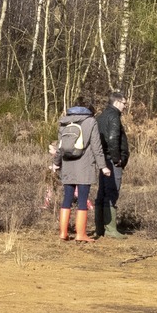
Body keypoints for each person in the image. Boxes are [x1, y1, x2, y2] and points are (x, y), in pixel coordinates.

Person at [52, 101, 111, 244]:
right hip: (84, 166)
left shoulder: (64, 121)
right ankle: (81, 234)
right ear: (88, 109)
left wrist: (55, 163)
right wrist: (103, 166)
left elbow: (60, 147)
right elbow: (96, 147)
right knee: (82, 199)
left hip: (67, 165)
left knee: (67, 198)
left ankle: (63, 233)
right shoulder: (91, 122)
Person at [94, 93, 130, 237]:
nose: (125, 106)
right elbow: (113, 138)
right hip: (112, 160)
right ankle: (110, 229)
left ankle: (100, 228)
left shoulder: (101, 116)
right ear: (117, 102)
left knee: (102, 192)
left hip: (103, 160)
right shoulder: (114, 117)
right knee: (112, 192)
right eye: (124, 103)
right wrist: (117, 159)